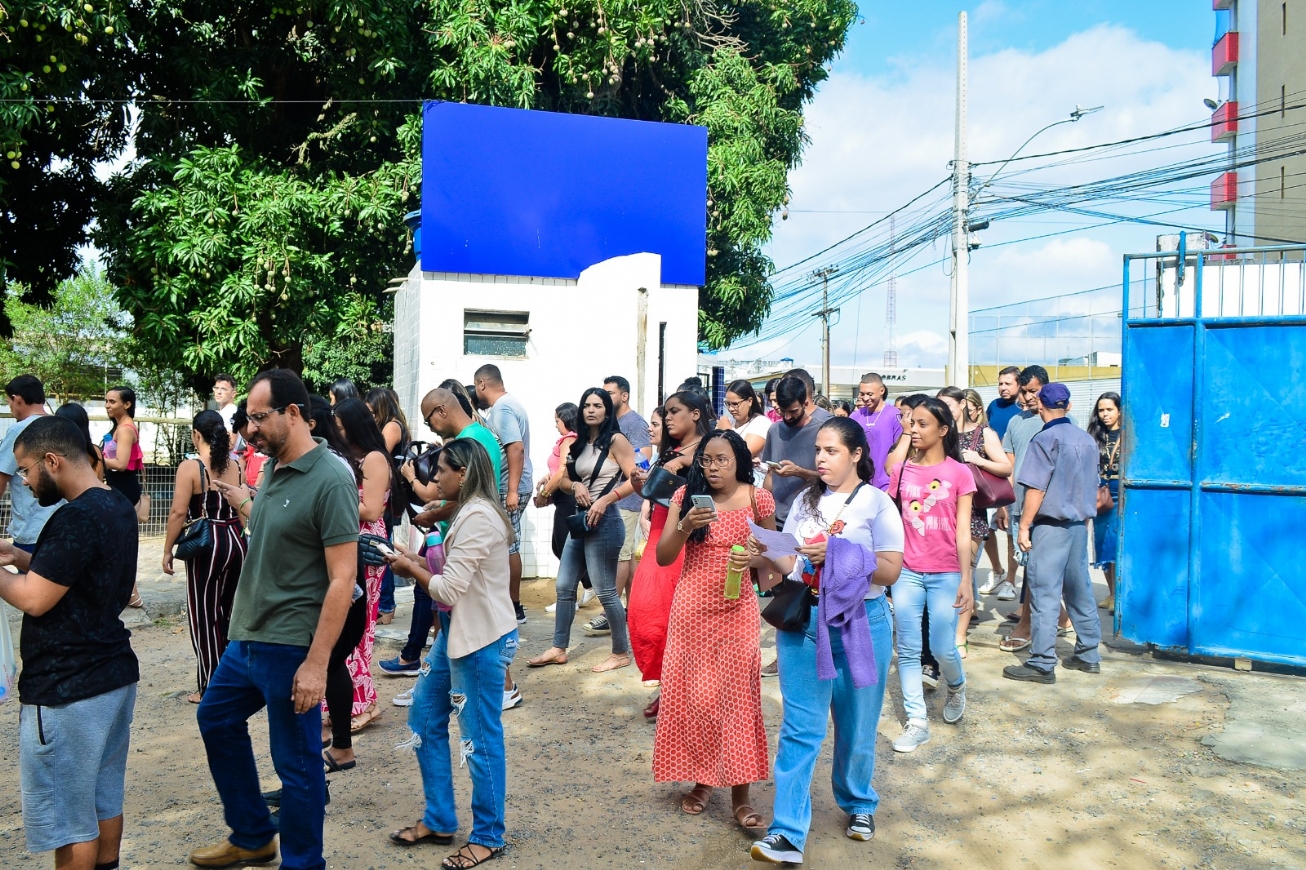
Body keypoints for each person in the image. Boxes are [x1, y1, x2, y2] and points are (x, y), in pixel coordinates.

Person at [190, 369, 359, 870]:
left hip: (290, 646)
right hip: (247, 639)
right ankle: (253, 836)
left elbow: (341, 578)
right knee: (215, 719)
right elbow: (275, 529)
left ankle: (303, 863)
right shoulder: (274, 470)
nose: (248, 429)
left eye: (258, 418)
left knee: (297, 764)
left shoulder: (330, 478)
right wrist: (241, 498)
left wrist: (317, 663)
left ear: (292, 413)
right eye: (246, 420)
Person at [748, 418, 904, 863]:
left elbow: (890, 569)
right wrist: (764, 553)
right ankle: (787, 832)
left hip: (862, 622)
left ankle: (858, 803)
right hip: (806, 620)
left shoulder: (877, 503)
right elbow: (791, 563)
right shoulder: (804, 500)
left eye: (831, 450)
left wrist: (838, 554)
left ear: (856, 454)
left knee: (856, 726)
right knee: (800, 729)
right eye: (818, 450)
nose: (819, 458)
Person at [0, 415, 139, 870]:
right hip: (111, 676)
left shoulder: (74, 517)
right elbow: (79, 569)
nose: (22, 479)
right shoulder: (114, 504)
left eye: (24, 469)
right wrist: (21, 557)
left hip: (67, 689)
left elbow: (36, 598)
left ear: (52, 461)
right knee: (103, 798)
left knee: (70, 819)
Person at [384, 438, 519, 869]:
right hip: (459, 632)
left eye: (441, 470)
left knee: (479, 741)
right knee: (423, 717)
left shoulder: (479, 517)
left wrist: (411, 571)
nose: (434, 477)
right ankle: (440, 819)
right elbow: (454, 578)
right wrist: (412, 557)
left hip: (480, 639)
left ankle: (488, 836)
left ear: (463, 473)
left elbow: (445, 588)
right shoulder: (467, 512)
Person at [653, 431, 774, 830]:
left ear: (739, 460)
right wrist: (686, 524)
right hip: (692, 611)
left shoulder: (759, 499)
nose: (713, 468)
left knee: (738, 699)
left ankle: (741, 795)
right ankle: (704, 782)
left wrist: (761, 555)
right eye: (706, 460)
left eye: (722, 460)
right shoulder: (685, 497)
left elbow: (773, 565)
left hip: (738, 609)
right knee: (699, 699)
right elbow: (664, 555)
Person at [527, 387, 642, 672]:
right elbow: (566, 480)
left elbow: (636, 481)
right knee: (564, 586)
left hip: (606, 522)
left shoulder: (616, 440)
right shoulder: (578, 444)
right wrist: (575, 484)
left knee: (605, 591)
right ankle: (558, 648)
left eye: (598, 405)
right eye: (587, 405)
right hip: (581, 521)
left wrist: (606, 499)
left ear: (607, 410)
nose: (591, 410)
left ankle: (620, 652)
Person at [886, 397, 975, 753]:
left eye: (923, 424)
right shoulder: (903, 469)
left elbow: (963, 531)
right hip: (907, 571)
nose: (914, 429)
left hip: (946, 571)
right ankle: (917, 721)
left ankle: (956, 684)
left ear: (944, 429)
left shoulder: (959, 472)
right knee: (907, 649)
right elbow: (892, 476)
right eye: (911, 422)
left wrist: (966, 580)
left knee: (942, 646)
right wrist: (907, 438)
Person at [1003, 383, 1104, 683]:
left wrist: (1023, 526)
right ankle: (1088, 654)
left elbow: (1036, 487)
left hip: (1050, 526)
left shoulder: (1044, 439)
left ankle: (1042, 662)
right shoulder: (1087, 440)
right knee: (1080, 590)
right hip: (1077, 526)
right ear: (1069, 406)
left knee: (1045, 593)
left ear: (1040, 406)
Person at [627, 391, 712, 714]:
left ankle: (680, 694)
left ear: (695, 413)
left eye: (674, 412)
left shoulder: (710, 447)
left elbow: (720, 482)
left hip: (689, 541)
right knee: (647, 615)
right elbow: (655, 495)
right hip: (660, 536)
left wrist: (687, 461)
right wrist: (639, 484)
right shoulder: (667, 451)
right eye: (666, 413)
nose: (668, 419)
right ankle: (669, 686)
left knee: (681, 623)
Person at [162, 410, 248, 704]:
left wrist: (167, 550)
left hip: (207, 546)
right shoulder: (236, 464)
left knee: (204, 616)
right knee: (230, 614)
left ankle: (212, 685)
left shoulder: (191, 467)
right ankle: (234, 679)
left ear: (196, 435)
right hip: (236, 541)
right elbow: (242, 509)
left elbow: (177, 513)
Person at [332, 397, 393, 733]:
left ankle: (364, 703)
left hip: (365, 547)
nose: (335, 431)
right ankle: (349, 701)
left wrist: (329, 501)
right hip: (349, 542)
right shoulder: (353, 458)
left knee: (359, 627)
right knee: (344, 625)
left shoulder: (373, 458)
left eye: (340, 426)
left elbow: (371, 510)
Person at [936, 386, 1011, 655]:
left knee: (963, 574)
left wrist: (978, 459)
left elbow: (1005, 467)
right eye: (939, 405)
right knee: (942, 575)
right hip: (939, 513)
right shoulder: (939, 435)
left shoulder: (983, 434)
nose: (944, 410)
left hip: (972, 515)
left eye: (949, 405)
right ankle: (942, 631)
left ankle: (959, 637)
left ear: (963, 404)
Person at [475, 364, 534, 626]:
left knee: (508, 545)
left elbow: (516, 448)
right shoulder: (509, 405)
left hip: (510, 487)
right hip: (513, 485)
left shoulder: (502, 409)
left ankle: (513, 607)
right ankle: (510, 606)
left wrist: (510, 490)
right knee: (507, 544)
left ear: (481, 384)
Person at [599, 374, 652, 635]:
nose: (605, 397)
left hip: (629, 498)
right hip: (614, 498)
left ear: (624, 395)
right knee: (627, 557)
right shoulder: (613, 422)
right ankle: (630, 610)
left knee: (621, 554)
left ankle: (610, 613)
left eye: (610, 393)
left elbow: (645, 461)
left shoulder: (635, 423)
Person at [536, 402, 593, 614]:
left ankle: (568, 597)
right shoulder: (569, 439)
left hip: (567, 498)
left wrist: (544, 494)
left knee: (564, 548)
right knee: (558, 546)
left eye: (557, 421)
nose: (555, 425)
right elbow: (558, 470)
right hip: (563, 498)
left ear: (567, 420)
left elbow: (562, 472)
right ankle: (588, 583)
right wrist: (546, 478)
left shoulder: (569, 439)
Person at [0, 376, 61, 554]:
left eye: (8, 401)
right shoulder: (62, 426)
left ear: (17, 398)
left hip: (31, 528)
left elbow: (1, 479)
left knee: (28, 579)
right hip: (62, 526)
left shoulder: (18, 431)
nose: (10, 407)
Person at [979, 366, 1023, 593]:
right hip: (990, 476)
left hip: (1013, 475)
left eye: (1008, 383)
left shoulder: (1022, 409)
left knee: (1009, 530)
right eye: (1000, 383)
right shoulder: (994, 407)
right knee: (985, 529)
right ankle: (997, 571)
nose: (1003, 388)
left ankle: (1011, 581)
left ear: (1019, 385)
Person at [1090, 392, 1124, 613]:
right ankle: (1111, 593)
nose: (1104, 414)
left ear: (1119, 410)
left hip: (1120, 493)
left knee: (1117, 544)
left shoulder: (1128, 434)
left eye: (1109, 409)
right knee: (1103, 544)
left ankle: (1120, 596)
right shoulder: (1095, 435)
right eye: (1101, 410)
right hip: (1099, 494)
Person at [850, 372, 904, 491]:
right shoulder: (855, 416)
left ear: (882, 391)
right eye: (862, 394)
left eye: (870, 394)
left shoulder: (894, 415)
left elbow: (900, 450)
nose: (865, 398)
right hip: (859, 483)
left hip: (886, 484)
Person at [719, 379, 773, 470]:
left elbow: (744, 454)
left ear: (750, 401)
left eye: (735, 404)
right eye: (727, 404)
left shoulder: (761, 423)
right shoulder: (729, 421)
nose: (731, 409)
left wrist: (727, 431)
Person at [213, 374, 240, 450]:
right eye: (216, 388)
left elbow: (230, 443)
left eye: (223, 389)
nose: (218, 392)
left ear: (233, 394)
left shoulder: (230, 411)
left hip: (230, 459)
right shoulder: (226, 411)